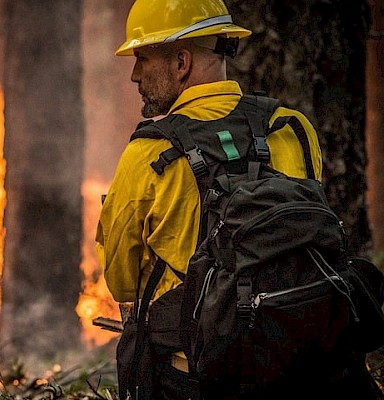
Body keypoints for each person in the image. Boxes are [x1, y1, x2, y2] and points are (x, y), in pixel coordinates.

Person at [95, 0, 329, 398]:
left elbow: (122, 280)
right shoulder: (292, 128)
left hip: (194, 374)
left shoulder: (148, 155)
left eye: (143, 59)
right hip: (298, 362)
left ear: (181, 62)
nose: (134, 75)